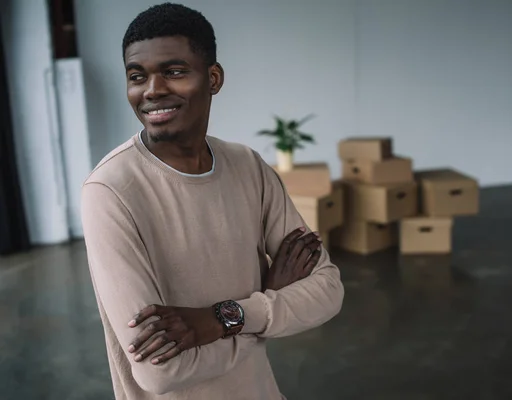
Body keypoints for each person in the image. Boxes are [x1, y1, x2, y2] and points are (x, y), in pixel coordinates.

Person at [80, 3, 344, 399]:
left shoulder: (247, 166)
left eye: (173, 71)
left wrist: (220, 319)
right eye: (137, 76)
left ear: (213, 78)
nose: (151, 90)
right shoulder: (110, 192)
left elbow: (328, 291)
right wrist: (259, 311)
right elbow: (160, 370)